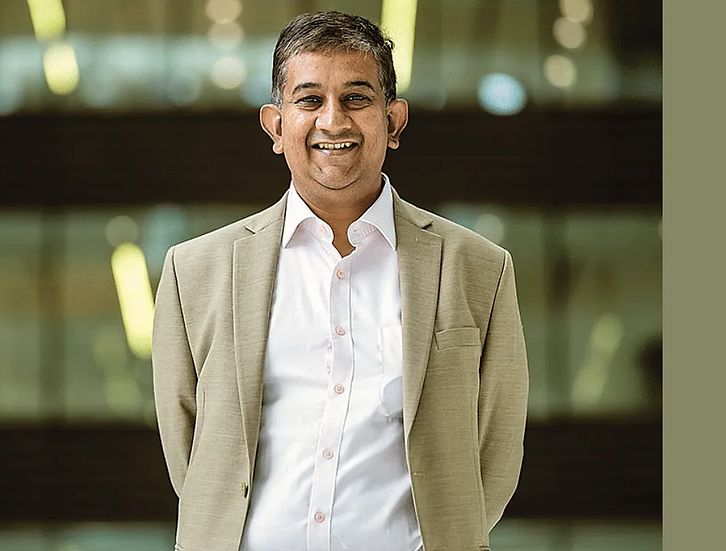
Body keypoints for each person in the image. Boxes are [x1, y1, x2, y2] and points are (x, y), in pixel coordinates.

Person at [152, 11, 528, 551]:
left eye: (357, 98)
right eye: (309, 100)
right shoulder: (196, 272)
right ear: (276, 127)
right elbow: (189, 451)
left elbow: (496, 450)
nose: (334, 121)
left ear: (393, 121)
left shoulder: (478, 269)